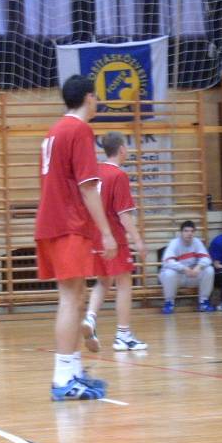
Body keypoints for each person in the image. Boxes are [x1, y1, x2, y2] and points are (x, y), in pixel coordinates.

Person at [35, 75, 117, 401]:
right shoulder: (79, 130)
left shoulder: (54, 131)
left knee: (76, 296)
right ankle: (62, 378)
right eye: (96, 97)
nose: (97, 102)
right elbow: (87, 186)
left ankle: (72, 372)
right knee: (70, 299)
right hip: (68, 224)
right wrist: (107, 232)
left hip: (54, 221)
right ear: (88, 98)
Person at [81, 132, 148, 352]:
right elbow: (123, 214)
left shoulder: (96, 172)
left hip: (95, 236)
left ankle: (90, 318)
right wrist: (138, 240)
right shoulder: (118, 175)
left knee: (103, 282)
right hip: (114, 237)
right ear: (121, 149)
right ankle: (123, 335)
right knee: (124, 283)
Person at [158, 220, 215, 314]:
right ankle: (169, 302)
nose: (189, 233)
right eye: (186, 231)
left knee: (209, 270)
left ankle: (203, 302)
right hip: (178, 277)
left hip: (192, 276)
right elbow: (167, 261)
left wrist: (199, 267)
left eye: (192, 231)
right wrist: (183, 268)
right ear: (181, 232)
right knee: (169, 273)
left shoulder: (197, 242)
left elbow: (207, 259)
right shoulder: (174, 243)